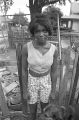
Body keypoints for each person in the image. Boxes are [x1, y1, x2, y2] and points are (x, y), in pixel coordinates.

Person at [22, 13, 58, 120]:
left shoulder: (53, 49)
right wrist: (25, 90)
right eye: (38, 31)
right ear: (33, 32)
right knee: (32, 111)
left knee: (45, 111)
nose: (41, 34)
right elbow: (23, 70)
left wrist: (53, 91)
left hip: (46, 81)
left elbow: (54, 71)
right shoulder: (26, 48)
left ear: (49, 32)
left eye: (44, 31)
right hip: (32, 80)